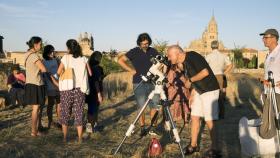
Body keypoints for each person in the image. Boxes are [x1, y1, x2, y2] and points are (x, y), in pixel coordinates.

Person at [166, 45, 221, 157]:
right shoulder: (182, 64)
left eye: (170, 55)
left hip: (209, 90)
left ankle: (215, 149)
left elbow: (205, 72)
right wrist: (192, 93)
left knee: (209, 119)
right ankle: (193, 145)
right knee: (194, 117)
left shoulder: (192, 56)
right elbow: (193, 78)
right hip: (199, 91)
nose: (168, 58)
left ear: (177, 53)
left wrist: (190, 80)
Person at [118, 33, 161, 136]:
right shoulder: (134, 51)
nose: (145, 45)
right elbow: (120, 60)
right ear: (139, 43)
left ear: (149, 42)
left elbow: (160, 63)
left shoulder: (153, 51)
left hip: (153, 82)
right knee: (141, 106)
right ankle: (142, 128)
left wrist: (159, 70)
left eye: (146, 43)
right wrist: (131, 70)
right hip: (139, 82)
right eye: (142, 44)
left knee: (154, 106)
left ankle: (153, 128)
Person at [57, 39, 89, 143]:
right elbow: (90, 72)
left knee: (65, 112)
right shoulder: (84, 58)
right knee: (79, 113)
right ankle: (79, 138)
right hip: (80, 90)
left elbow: (58, 72)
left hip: (67, 89)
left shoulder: (65, 58)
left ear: (68, 48)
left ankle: (65, 138)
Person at [259, 29, 280, 138]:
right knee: (271, 120)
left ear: (274, 38)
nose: (263, 40)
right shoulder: (269, 54)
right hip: (269, 92)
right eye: (263, 38)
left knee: (272, 121)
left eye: (266, 37)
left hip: (278, 93)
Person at [24, 36, 47, 137]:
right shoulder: (34, 56)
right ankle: (34, 132)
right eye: (40, 44)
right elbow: (44, 69)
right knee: (36, 109)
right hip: (36, 84)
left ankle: (36, 129)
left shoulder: (26, 54)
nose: (41, 46)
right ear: (35, 44)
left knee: (36, 108)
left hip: (30, 83)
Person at [206, 40, 233, 119]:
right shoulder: (223, 56)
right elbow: (230, 65)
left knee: (210, 94)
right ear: (218, 46)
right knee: (220, 95)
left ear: (211, 47)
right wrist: (224, 72)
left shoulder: (208, 56)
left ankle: (211, 114)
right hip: (220, 75)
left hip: (211, 76)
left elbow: (204, 66)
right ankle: (221, 114)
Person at [42, 45, 61, 129]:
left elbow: (61, 71)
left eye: (53, 51)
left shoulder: (56, 60)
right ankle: (50, 121)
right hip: (50, 86)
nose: (53, 53)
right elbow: (45, 75)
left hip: (59, 85)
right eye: (51, 51)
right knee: (50, 104)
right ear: (47, 52)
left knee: (59, 103)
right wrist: (53, 84)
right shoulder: (43, 62)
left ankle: (60, 121)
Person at [85, 51, 105, 133]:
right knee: (93, 109)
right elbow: (96, 82)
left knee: (92, 109)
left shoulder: (88, 67)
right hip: (95, 92)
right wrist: (99, 94)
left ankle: (93, 125)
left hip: (89, 90)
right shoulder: (97, 68)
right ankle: (90, 127)